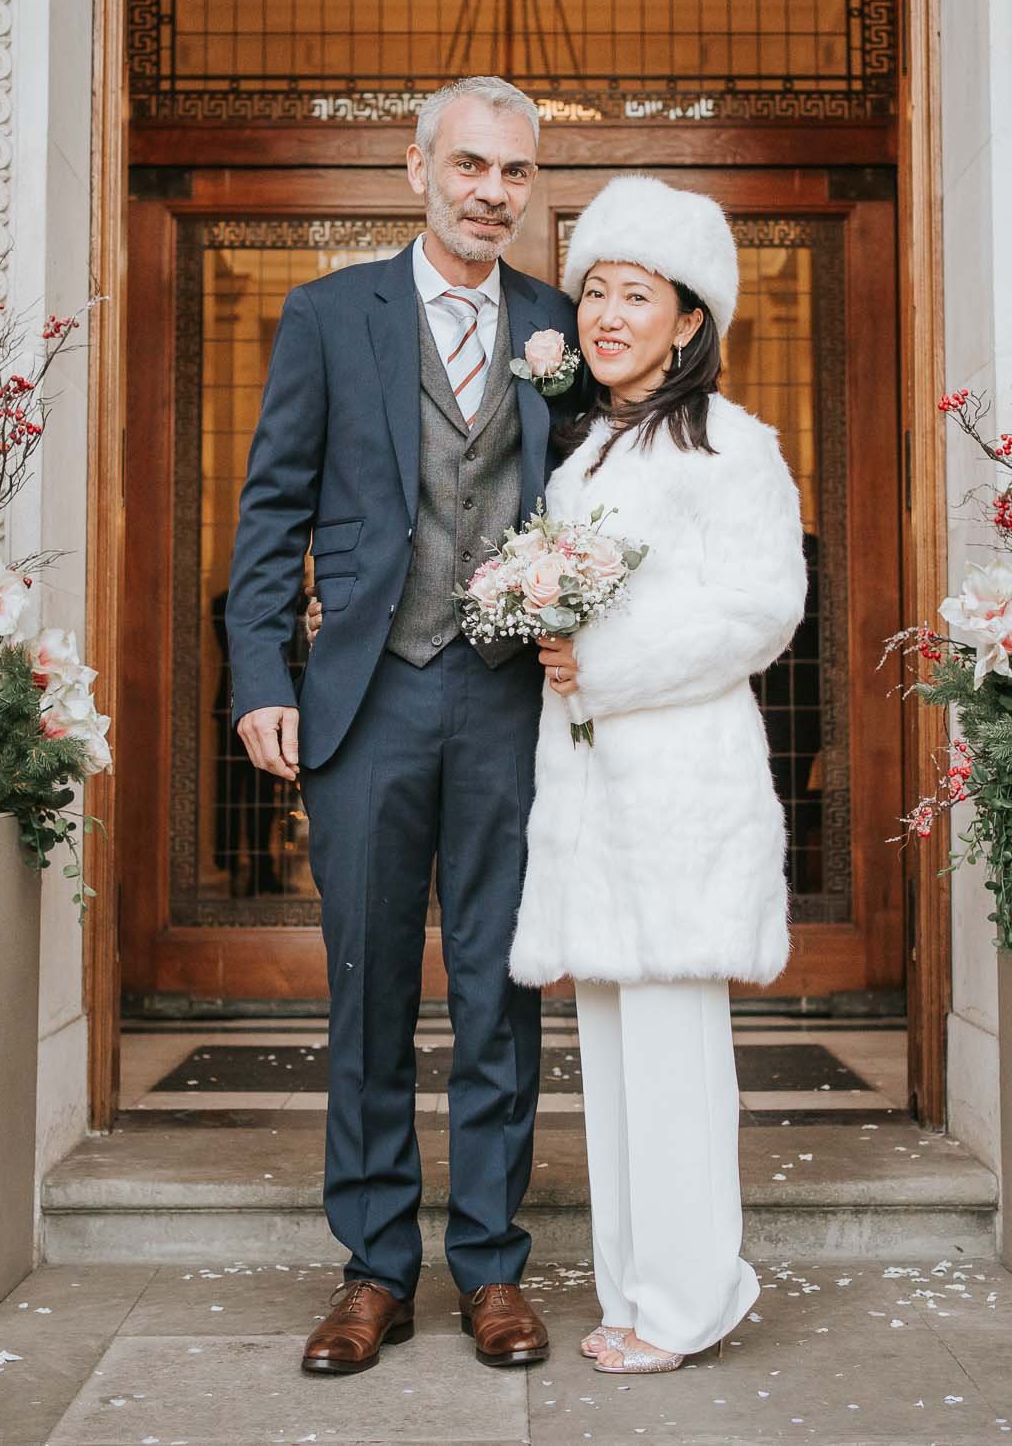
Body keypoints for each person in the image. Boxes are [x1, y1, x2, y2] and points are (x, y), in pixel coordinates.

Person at [223, 76, 582, 1376]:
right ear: (415, 165)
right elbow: (273, 509)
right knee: (369, 986)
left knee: (500, 989)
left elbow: (603, 498)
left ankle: (490, 1265)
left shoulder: (561, 325)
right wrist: (262, 670)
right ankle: (375, 1264)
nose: (493, 190)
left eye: (516, 172)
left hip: (508, 702)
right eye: (471, 164)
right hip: (367, 698)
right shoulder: (329, 316)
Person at [509, 175, 809, 1375]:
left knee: (677, 1065)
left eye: (637, 293)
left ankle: (692, 1297)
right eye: (594, 289)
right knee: (618, 1065)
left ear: (689, 320)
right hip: (592, 793)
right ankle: (639, 1287)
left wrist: (604, 664)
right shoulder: (583, 448)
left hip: (680, 787)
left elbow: (761, 607)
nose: (607, 313)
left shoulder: (735, 445)